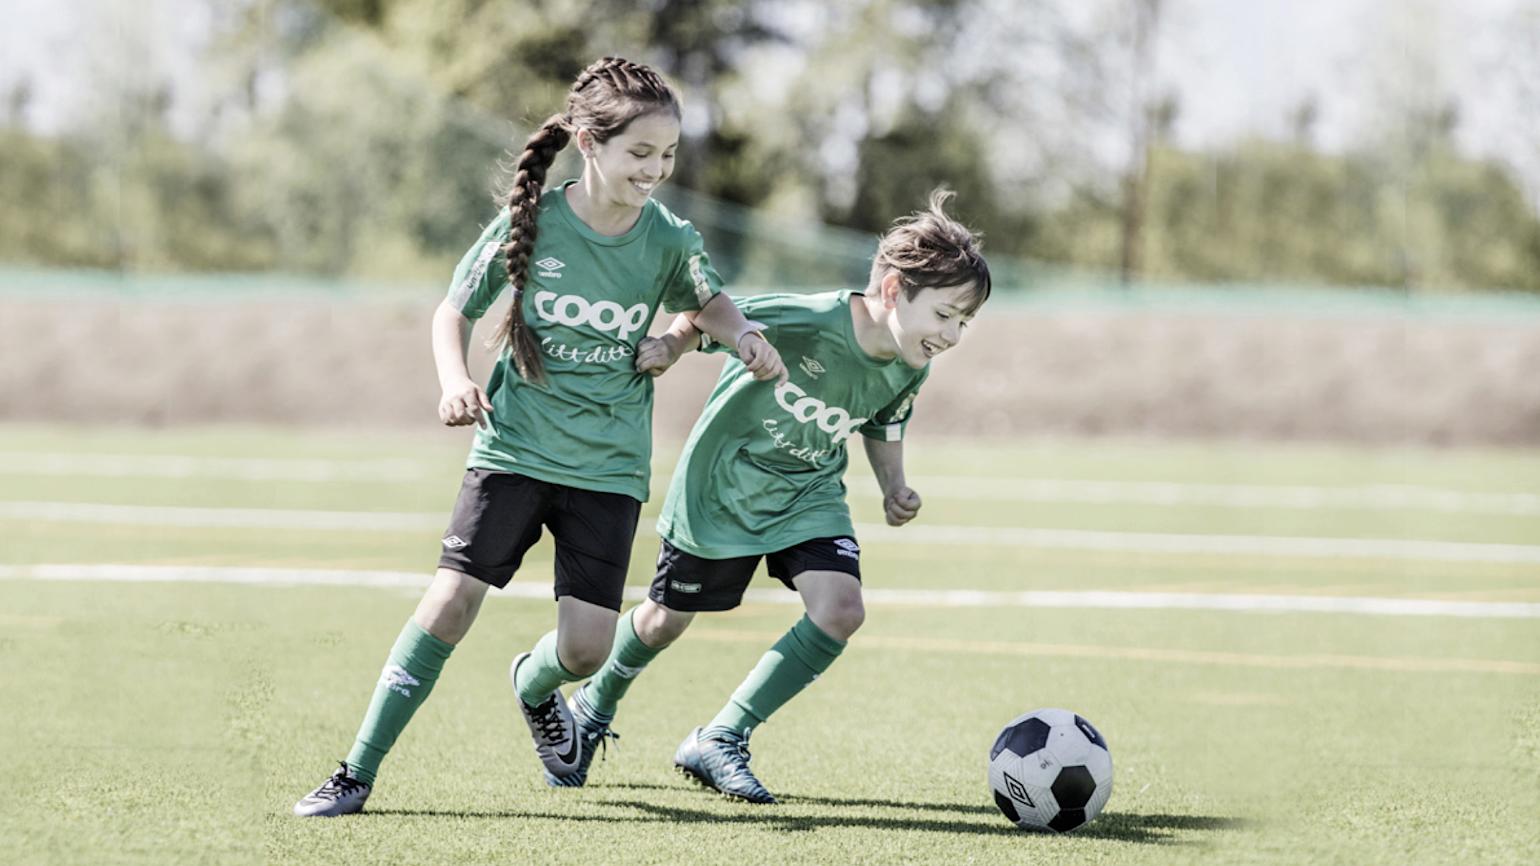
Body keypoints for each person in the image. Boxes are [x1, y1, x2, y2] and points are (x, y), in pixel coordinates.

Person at [293, 56, 786, 817]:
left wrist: (742, 332)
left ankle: (531, 684)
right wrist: (456, 380)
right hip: (515, 451)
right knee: (451, 602)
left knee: (586, 649)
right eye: (640, 154)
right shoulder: (535, 224)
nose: (656, 170)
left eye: (667, 156)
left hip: (610, 469)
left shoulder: (666, 237)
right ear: (589, 144)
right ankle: (356, 770)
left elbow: (710, 300)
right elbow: (451, 311)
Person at [561, 189, 991, 802]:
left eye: (963, 323)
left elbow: (884, 419)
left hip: (808, 494)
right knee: (663, 621)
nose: (951, 335)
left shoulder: (909, 363)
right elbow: (708, 311)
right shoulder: (806, 318)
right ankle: (591, 706)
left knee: (841, 610)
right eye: (945, 315)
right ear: (894, 290)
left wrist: (894, 485)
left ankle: (722, 737)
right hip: (721, 489)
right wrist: (671, 346)